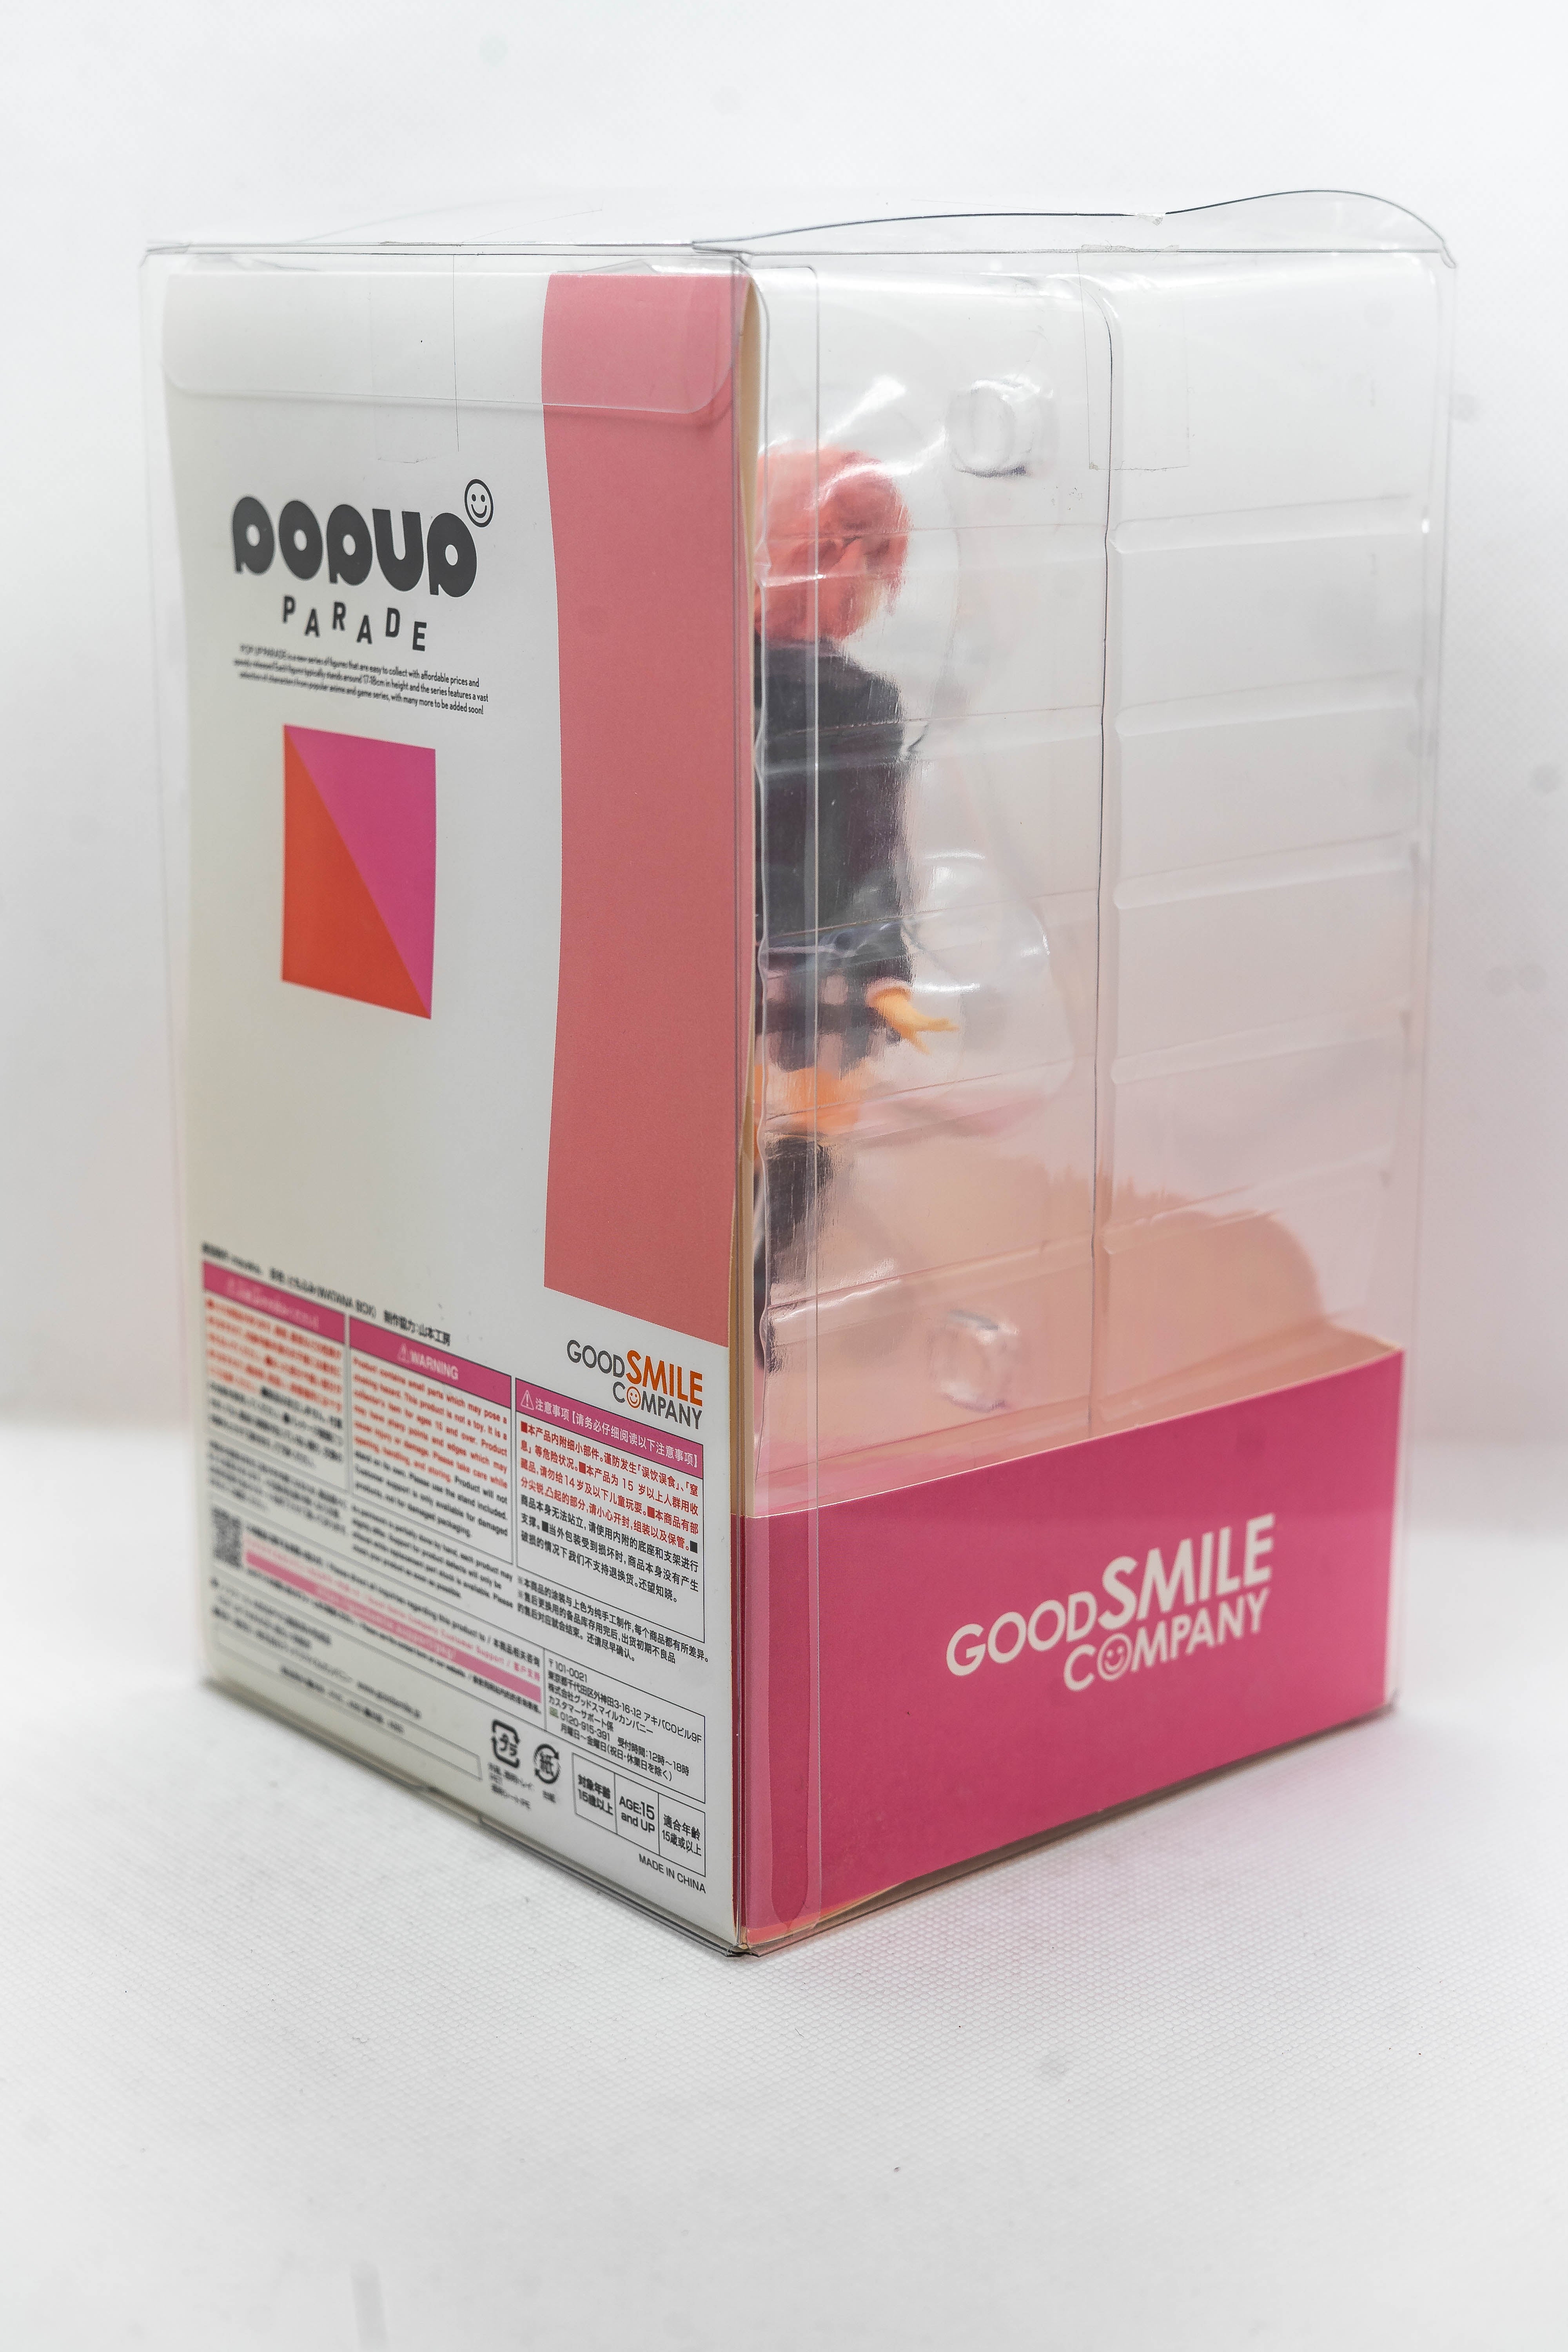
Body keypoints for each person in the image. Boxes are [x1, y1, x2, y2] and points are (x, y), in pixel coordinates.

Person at [753, 446, 954, 1359]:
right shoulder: (844, 698)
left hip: (801, 970)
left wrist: (882, 973)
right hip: (783, 972)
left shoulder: (857, 700)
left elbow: (872, 852)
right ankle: (749, 1289)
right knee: (793, 1131)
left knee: (806, 1130)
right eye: (871, 570)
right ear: (828, 551)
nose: (874, 598)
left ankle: (754, 1290)